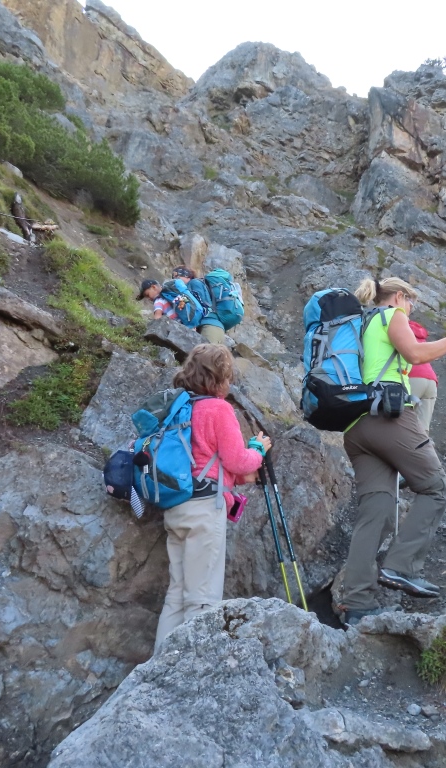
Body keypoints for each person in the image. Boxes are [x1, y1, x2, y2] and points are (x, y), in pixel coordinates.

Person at [339, 277, 446, 626]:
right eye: (411, 301)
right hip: (388, 417)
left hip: (356, 425)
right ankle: (402, 567)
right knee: (435, 488)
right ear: (399, 296)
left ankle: (357, 604)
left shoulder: (360, 323)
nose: (411, 308)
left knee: (376, 511)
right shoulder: (391, 315)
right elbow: (415, 354)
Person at [154, 344, 271, 651]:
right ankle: (191, 671)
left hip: (175, 506)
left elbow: (205, 460)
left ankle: (158, 668)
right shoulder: (218, 409)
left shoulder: (181, 407)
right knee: (202, 598)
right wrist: (258, 450)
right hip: (205, 509)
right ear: (219, 377)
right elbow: (238, 461)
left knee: (176, 596)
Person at [171, 266, 227, 344]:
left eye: (177, 276)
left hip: (209, 325)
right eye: (173, 277)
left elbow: (201, 303)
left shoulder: (194, 283)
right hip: (207, 326)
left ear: (187, 276)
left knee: (208, 351)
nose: (175, 280)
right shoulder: (187, 289)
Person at [407, 319, 438, 434]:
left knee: (399, 423)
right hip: (431, 380)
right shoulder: (419, 335)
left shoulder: (400, 330)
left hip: (413, 377)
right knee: (422, 430)